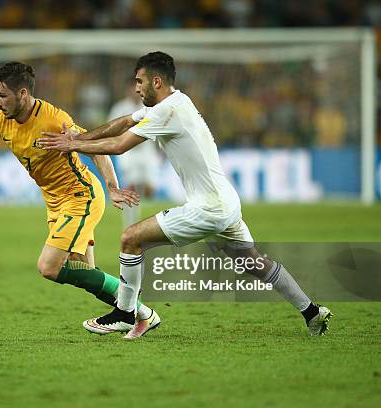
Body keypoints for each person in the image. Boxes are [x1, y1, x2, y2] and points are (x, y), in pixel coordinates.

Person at [39, 52, 332, 339]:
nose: (136, 87)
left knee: (131, 238)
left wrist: (72, 146)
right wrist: (78, 138)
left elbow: (118, 145)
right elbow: (123, 122)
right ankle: (312, 312)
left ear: (157, 81)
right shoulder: (173, 103)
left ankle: (126, 313)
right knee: (253, 263)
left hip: (209, 207)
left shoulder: (169, 111)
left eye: (140, 81)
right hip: (225, 201)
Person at [0, 61, 159, 328]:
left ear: (23, 94)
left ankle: (133, 305)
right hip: (54, 203)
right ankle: (141, 313)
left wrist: (111, 187)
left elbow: (93, 148)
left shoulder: (54, 119)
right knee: (81, 271)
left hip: (80, 196)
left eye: (2, 95)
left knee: (49, 267)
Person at [108, 78, 158, 228]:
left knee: (149, 191)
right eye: (132, 87)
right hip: (128, 152)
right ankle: (130, 225)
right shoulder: (119, 108)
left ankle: (138, 222)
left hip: (147, 151)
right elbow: (112, 129)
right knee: (131, 188)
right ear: (127, 90)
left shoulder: (151, 106)